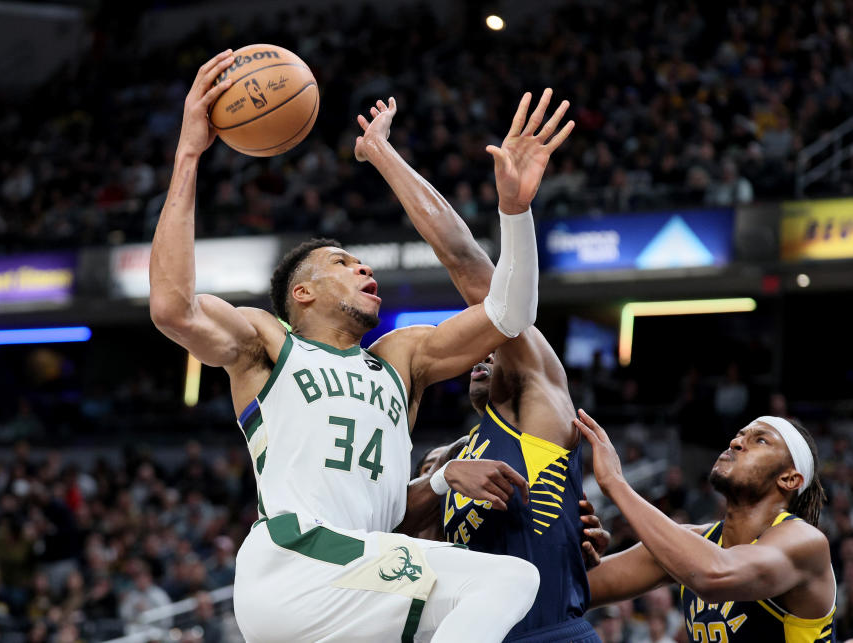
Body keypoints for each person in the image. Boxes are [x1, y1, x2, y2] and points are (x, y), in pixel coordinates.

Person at [149, 49, 567, 642]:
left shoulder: (401, 359)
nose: (364, 269)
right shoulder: (269, 343)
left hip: (353, 575)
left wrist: (515, 212)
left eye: (364, 262)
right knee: (506, 584)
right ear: (302, 292)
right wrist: (190, 151)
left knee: (471, 610)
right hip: (293, 560)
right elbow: (173, 308)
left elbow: (509, 314)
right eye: (343, 263)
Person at [356, 89, 603, 641]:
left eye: (492, 346)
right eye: (477, 349)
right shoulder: (447, 459)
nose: (484, 353)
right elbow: (384, 547)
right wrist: (439, 480)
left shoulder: (535, 400)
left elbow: (466, 262)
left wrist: (384, 156)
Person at [577, 409, 836, 642]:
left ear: (790, 479)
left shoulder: (806, 542)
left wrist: (615, 483)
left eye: (760, 440)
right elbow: (576, 591)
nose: (735, 442)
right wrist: (574, 552)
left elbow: (714, 575)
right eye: (739, 435)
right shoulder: (693, 542)